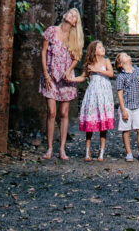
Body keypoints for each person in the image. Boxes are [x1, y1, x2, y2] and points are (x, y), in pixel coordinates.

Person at [39, 8, 83, 160]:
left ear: (75, 22)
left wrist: (69, 70)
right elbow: (43, 51)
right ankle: (50, 148)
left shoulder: (74, 37)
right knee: (51, 112)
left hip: (66, 78)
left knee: (64, 114)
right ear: (65, 16)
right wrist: (45, 74)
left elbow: (76, 57)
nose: (71, 16)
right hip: (51, 76)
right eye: (70, 13)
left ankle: (62, 149)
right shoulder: (51, 31)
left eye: (75, 16)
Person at [70, 40, 115, 161]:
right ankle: (87, 150)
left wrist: (98, 70)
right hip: (93, 94)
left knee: (103, 123)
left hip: (104, 95)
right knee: (91, 121)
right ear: (94, 51)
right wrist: (71, 79)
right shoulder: (89, 64)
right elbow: (82, 77)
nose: (102, 48)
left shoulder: (106, 61)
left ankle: (101, 151)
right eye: (99, 47)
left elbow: (111, 73)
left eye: (102, 46)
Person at [115, 51, 139, 161]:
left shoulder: (138, 71)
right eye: (123, 55)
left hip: (137, 106)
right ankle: (129, 152)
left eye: (126, 54)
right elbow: (120, 94)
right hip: (126, 107)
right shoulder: (121, 76)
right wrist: (123, 110)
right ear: (120, 64)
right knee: (126, 130)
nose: (126, 55)